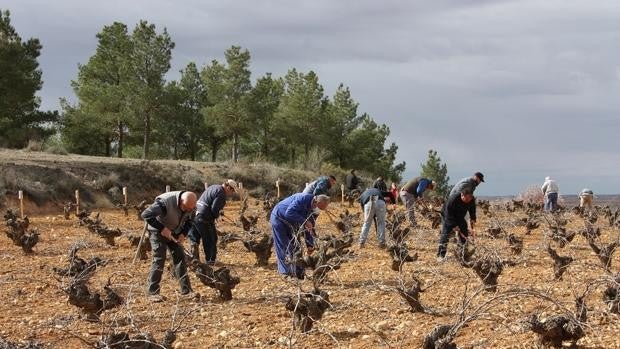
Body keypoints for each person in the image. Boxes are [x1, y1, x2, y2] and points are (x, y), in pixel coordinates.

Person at [142, 190, 198, 302]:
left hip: (175, 232)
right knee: (159, 259)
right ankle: (152, 293)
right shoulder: (164, 203)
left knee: (180, 258)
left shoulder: (191, 206)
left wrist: (183, 233)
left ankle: (186, 291)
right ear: (181, 201)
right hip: (157, 232)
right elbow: (146, 214)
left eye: (191, 209)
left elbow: (190, 221)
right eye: (187, 208)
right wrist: (162, 228)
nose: (189, 210)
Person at [270, 193, 330, 279]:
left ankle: (299, 273)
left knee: (296, 247)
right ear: (318, 202)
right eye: (323, 207)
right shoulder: (303, 198)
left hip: (290, 222)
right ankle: (285, 273)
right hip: (279, 218)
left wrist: (310, 245)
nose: (321, 210)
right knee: (283, 245)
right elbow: (289, 212)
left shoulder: (313, 208)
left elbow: (310, 228)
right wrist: (305, 222)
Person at [188, 179, 238, 265]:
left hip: (194, 214)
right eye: (232, 190)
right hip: (204, 217)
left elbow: (209, 201)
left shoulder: (213, 187)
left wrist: (219, 212)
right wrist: (217, 216)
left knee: (194, 239)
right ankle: (211, 261)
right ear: (228, 187)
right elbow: (214, 209)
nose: (232, 193)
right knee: (211, 239)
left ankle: (194, 260)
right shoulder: (221, 193)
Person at [437, 189, 476, 261]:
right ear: (462, 195)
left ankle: (463, 253)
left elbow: (472, 208)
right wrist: (454, 225)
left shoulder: (471, 199)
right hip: (447, 216)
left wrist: (473, 218)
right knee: (445, 234)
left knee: (464, 231)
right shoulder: (453, 199)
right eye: (466, 199)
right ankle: (440, 255)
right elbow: (448, 214)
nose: (468, 201)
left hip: (460, 216)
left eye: (470, 199)